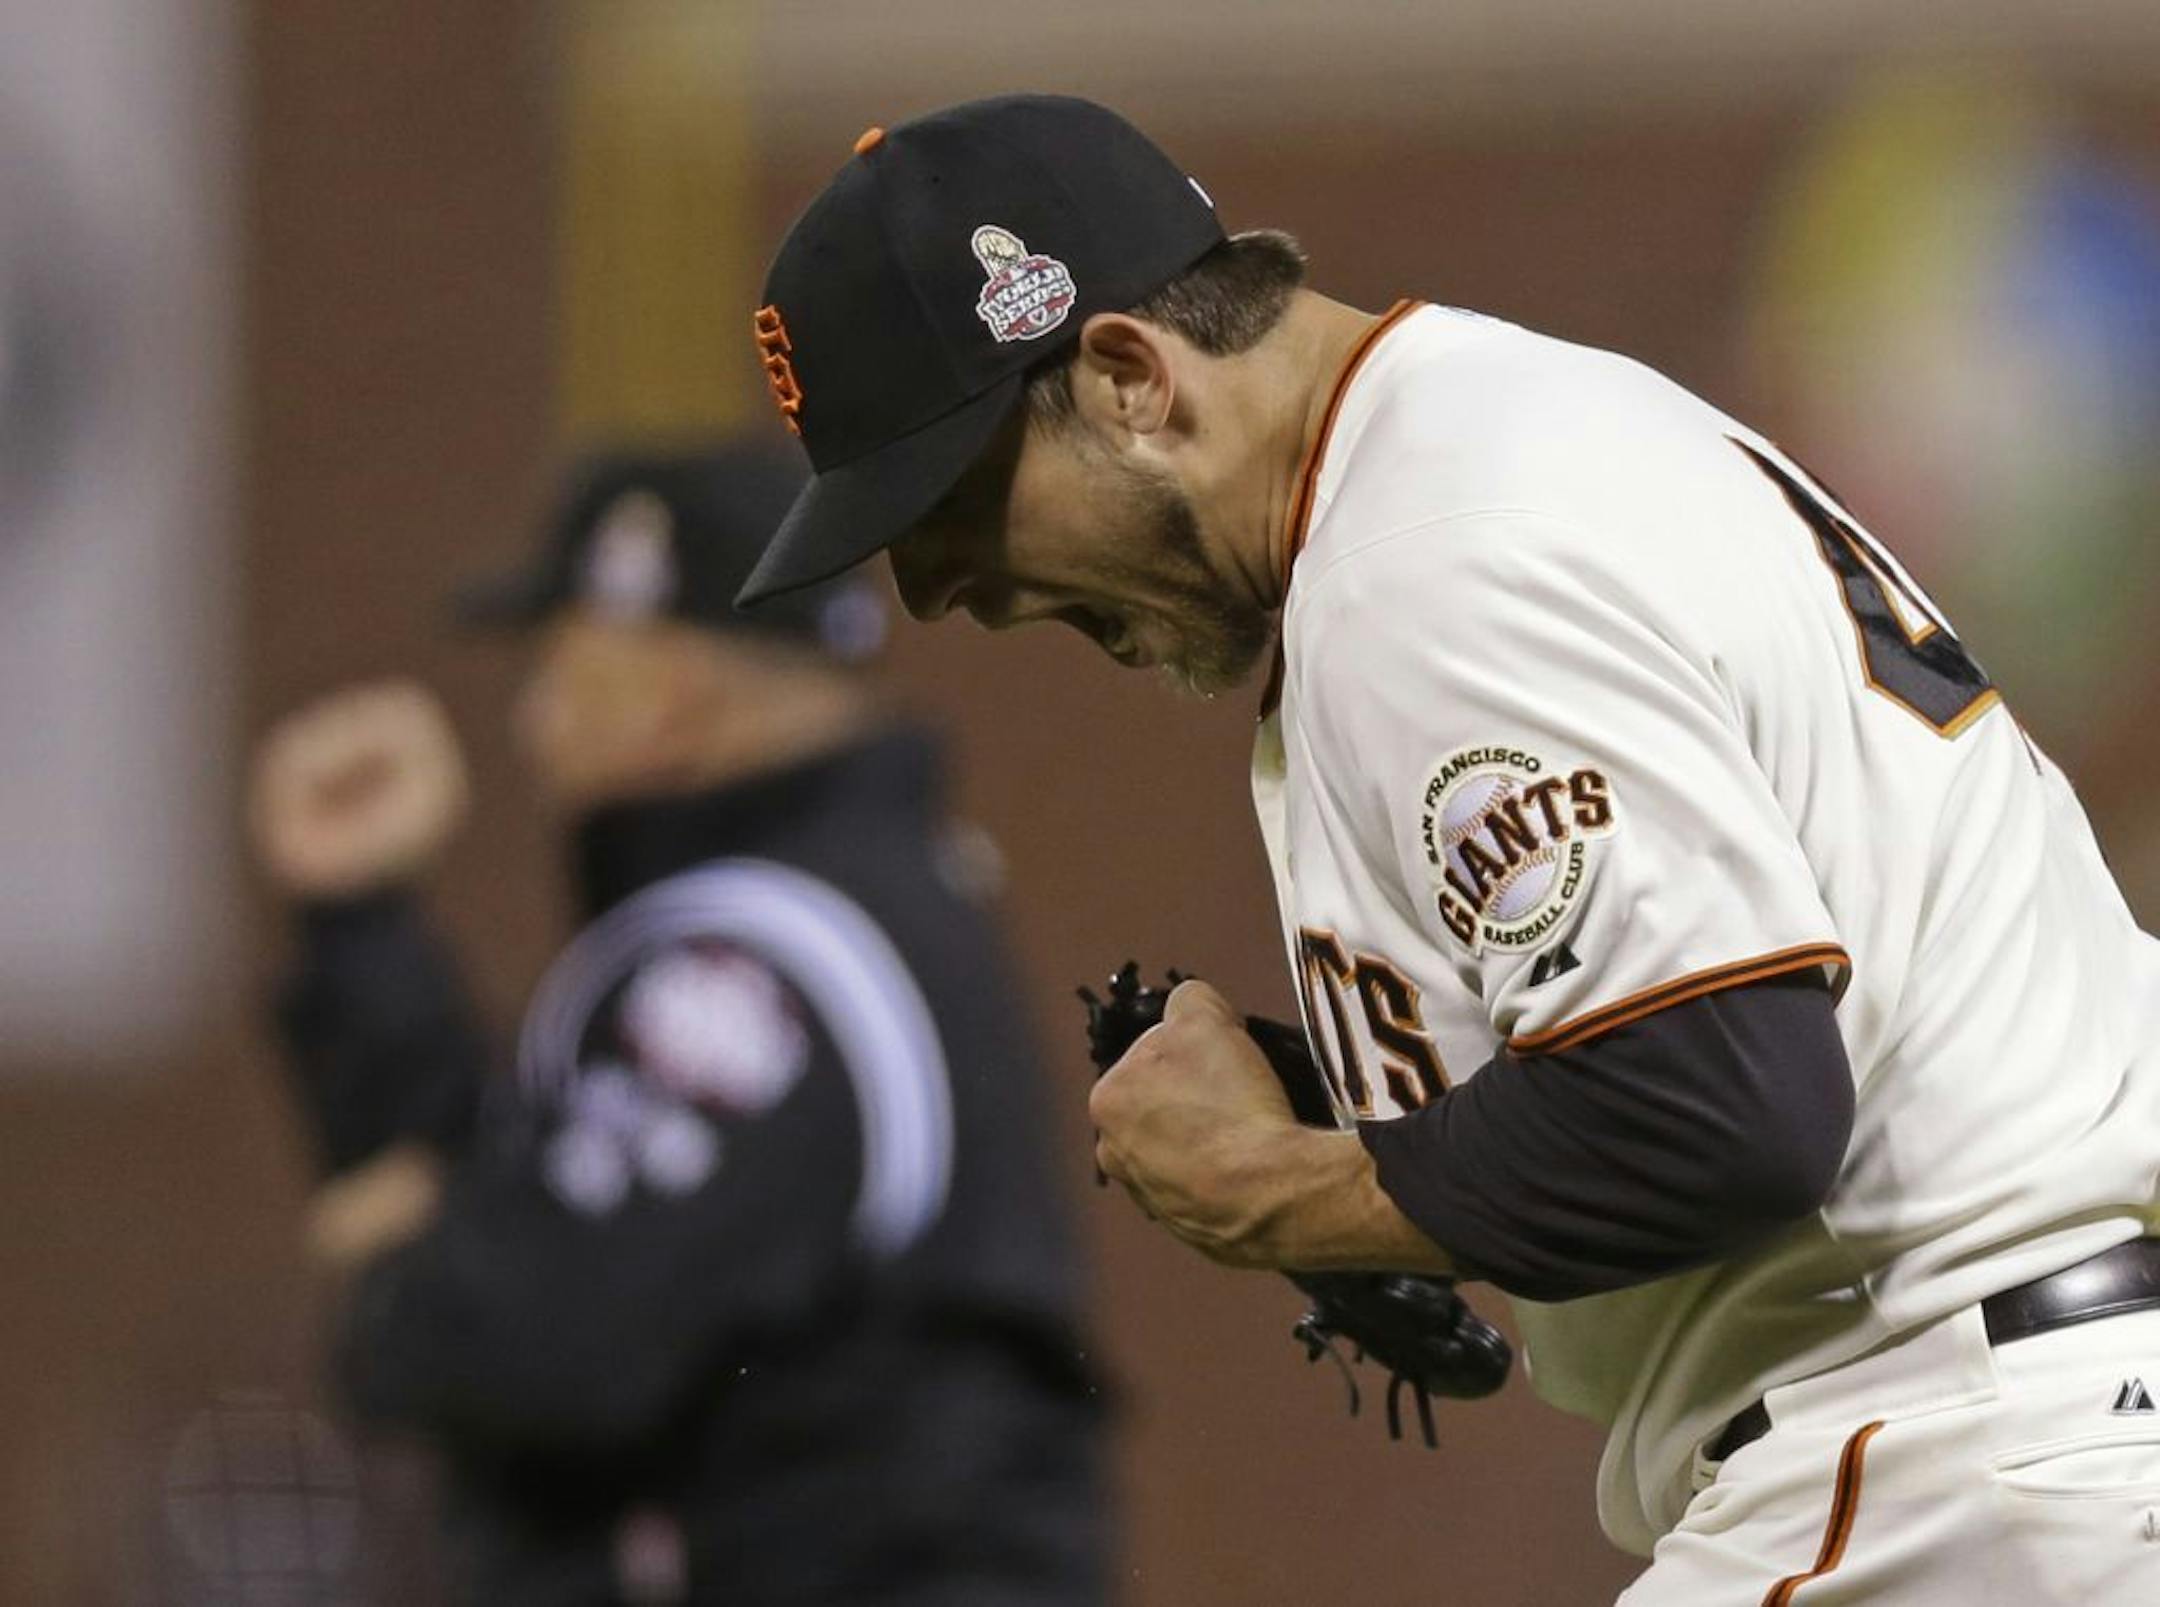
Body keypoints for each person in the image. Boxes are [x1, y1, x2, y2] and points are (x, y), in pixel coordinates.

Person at [733, 94, 2160, 1604]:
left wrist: (1286, 1187)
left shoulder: (1428, 555)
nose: (945, 590)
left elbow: (1722, 1102)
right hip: (2030, 1425)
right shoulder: (1485, 442)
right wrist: (1366, 1114)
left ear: (1134, 376)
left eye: (953, 500)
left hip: (1949, 1464)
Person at [249, 442, 1109, 1607]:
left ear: (666, 694)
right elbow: (545, 1225)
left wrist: (394, 1280)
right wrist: (363, 932)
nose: (532, 723)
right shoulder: (853, 906)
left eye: (559, 670)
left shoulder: (768, 959)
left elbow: (532, 1344)